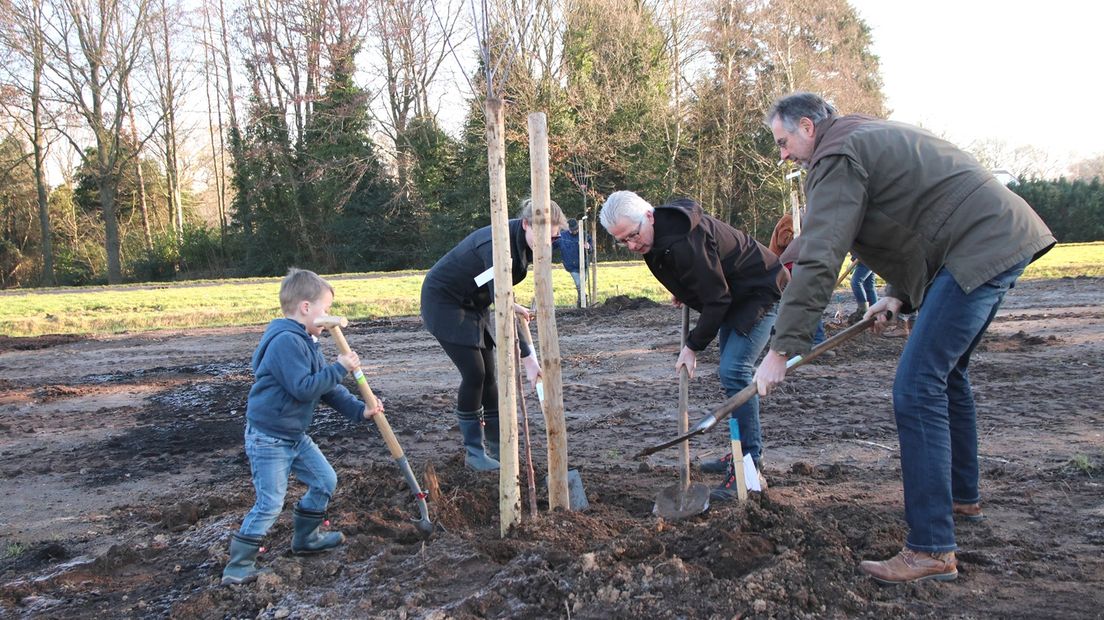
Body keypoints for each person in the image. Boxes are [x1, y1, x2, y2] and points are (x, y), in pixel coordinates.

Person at [754, 92, 1055, 584]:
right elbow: (919, 214)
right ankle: (961, 498)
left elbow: (823, 253)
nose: (783, 154)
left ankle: (932, 548)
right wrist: (896, 293)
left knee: (916, 389)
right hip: (996, 232)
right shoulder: (863, 134)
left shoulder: (835, 156)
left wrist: (782, 348)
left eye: (783, 141)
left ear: (807, 126)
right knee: (946, 376)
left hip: (978, 244)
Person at [599, 191, 789, 501]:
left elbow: (717, 298)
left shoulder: (686, 241)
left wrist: (692, 346)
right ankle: (739, 455)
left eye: (633, 235)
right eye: (622, 241)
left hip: (760, 292)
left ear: (649, 216)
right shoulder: (656, 235)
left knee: (734, 372)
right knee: (732, 375)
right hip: (734, 295)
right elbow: (704, 278)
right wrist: (688, 291)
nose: (632, 245)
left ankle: (750, 467)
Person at [222, 268, 385, 586]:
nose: (328, 317)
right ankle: (238, 566)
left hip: (293, 434)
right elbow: (303, 387)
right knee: (270, 502)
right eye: (325, 310)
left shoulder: (305, 342)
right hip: (269, 436)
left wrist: (359, 409)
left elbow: (325, 389)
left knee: (325, 480)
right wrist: (339, 367)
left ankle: (306, 539)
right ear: (306, 308)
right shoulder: (285, 341)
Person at [421, 198, 566, 471]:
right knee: (475, 373)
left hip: (474, 302)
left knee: (490, 376)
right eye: (544, 236)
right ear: (526, 224)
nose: (548, 244)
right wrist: (528, 357)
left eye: (554, 239)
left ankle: (499, 450)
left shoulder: (525, 242)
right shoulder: (498, 244)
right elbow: (500, 298)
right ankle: (474, 453)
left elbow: (499, 292)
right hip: (445, 302)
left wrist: (512, 303)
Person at [554, 218, 592, 301]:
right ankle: (583, 299)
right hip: (571, 266)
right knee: (579, 285)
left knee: (582, 285)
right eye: (573, 230)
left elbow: (590, 249)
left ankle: (581, 302)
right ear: (569, 229)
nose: (575, 231)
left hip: (584, 265)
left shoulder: (584, 235)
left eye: (576, 229)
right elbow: (553, 245)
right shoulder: (562, 236)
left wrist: (588, 247)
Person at [849, 254, 877, 324]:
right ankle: (875, 313)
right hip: (865, 256)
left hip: (867, 256)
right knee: (869, 286)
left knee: (856, 282)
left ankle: (863, 311)